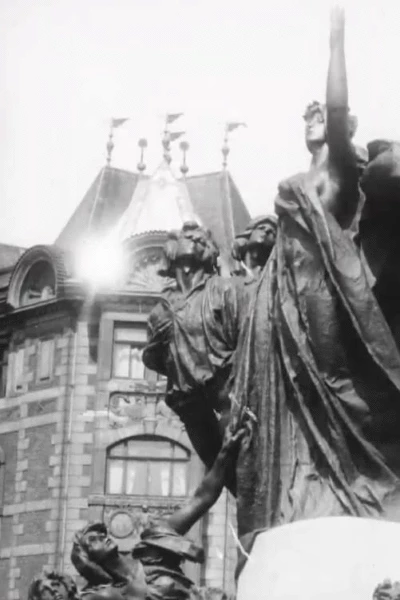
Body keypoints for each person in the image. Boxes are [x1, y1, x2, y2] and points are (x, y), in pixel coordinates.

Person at [231, 4, 400, 553]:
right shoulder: (304, 176)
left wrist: (336, 37)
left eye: (322, 113)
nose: (313, 115)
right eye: (306, 113)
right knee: (301, 399)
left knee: (334, 390)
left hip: (327, 295)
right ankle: (314, 487)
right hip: (287, 301)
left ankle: (357, 483)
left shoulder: (338, 171)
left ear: (342, 123)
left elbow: (337, 99)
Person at [71, 420, 247, 600]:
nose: (102, 537)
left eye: (100, 534)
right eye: (92, 541)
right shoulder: (111, 596)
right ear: (88, 560)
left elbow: (201, 499)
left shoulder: (153, 548)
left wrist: (225, 452)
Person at [143, 221, 245, 476]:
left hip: (226, 394)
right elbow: (153, 357)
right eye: (186, 236)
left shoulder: (226, 290)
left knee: (242, 466)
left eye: (199, 237)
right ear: (171, 250)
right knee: (220, 473)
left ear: (208, 251)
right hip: (188, 401)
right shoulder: (160, 310)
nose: (192, 236)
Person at [231, 215, 277, 280]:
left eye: (272, 232)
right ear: (249, 233)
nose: (266, 231)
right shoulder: (229, 277)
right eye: (261, 228)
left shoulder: (273, 280)